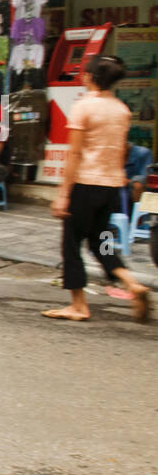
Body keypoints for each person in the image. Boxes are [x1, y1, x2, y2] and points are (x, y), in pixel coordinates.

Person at [42, 55, 150, 322]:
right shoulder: (122, 110)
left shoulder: (84, 107)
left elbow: (75, 154)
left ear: (89, 77)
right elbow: (121, 151)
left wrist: (63, 194)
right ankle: (131, 282)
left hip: (85, 185)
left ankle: (78, 305)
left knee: (71, 244)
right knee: (100, 242)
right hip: (111, 187)